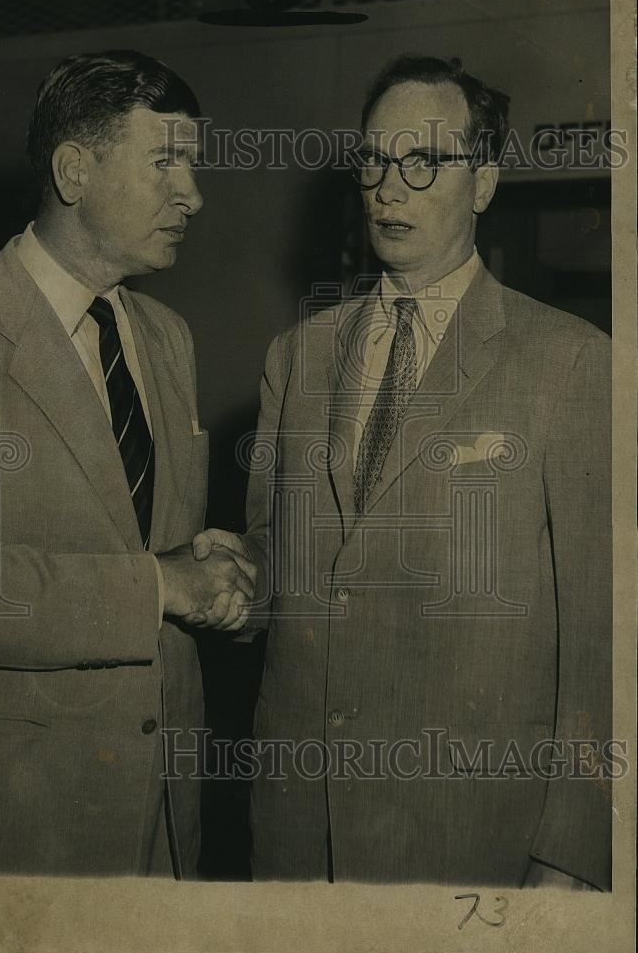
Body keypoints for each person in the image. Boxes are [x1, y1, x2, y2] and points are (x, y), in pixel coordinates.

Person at [218, 55, 612, 888]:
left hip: (473, 839)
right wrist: (211, 574)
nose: (388, 189)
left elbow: (603, 637)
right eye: (374, 160)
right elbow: (274, 560)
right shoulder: (297, 356)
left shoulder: (572, 363)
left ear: (483, 183)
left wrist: (571, 853)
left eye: (423, 161)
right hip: (298, 836)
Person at [0, 50, 254, 877]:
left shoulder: (168, 339)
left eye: (195, 166)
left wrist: (206, 563)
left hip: (165, 817)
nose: (194, 196)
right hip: (12, 823)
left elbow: (132, 528)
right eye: (166, 163)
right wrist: (160, 586)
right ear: (74, 169)